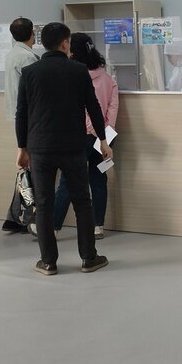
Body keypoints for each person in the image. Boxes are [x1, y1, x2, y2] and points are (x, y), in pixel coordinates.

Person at [16, 22, 112, 276]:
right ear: (65, 43)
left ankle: (48, 262)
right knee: (82, 202)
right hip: (73, 146)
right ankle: (88, 258)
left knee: (44, 205)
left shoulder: (29, 72)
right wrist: (103, 139)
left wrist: (21, 147)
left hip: (40, 147)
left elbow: (21, 113)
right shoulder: (78, 70)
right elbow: (93, 107)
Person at [47, 33, 118, 240]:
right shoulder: (108, 78)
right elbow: (112, 108)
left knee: (68, 182)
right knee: (99, 179)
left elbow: (80, 108)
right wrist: (104, 133)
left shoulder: (74, 76)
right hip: (105, 138)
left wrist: (91, 129)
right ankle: (98, 226)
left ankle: (54, 226)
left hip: (79, 137)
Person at [1, 17, 39, 234]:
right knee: (32, 171)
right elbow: (35, 90)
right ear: (32, 33)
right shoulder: (27, 58)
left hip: (19, 117)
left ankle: (15, 216)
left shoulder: (11, 55)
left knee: (27, 170)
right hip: (30, 118)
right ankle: (26, 217)